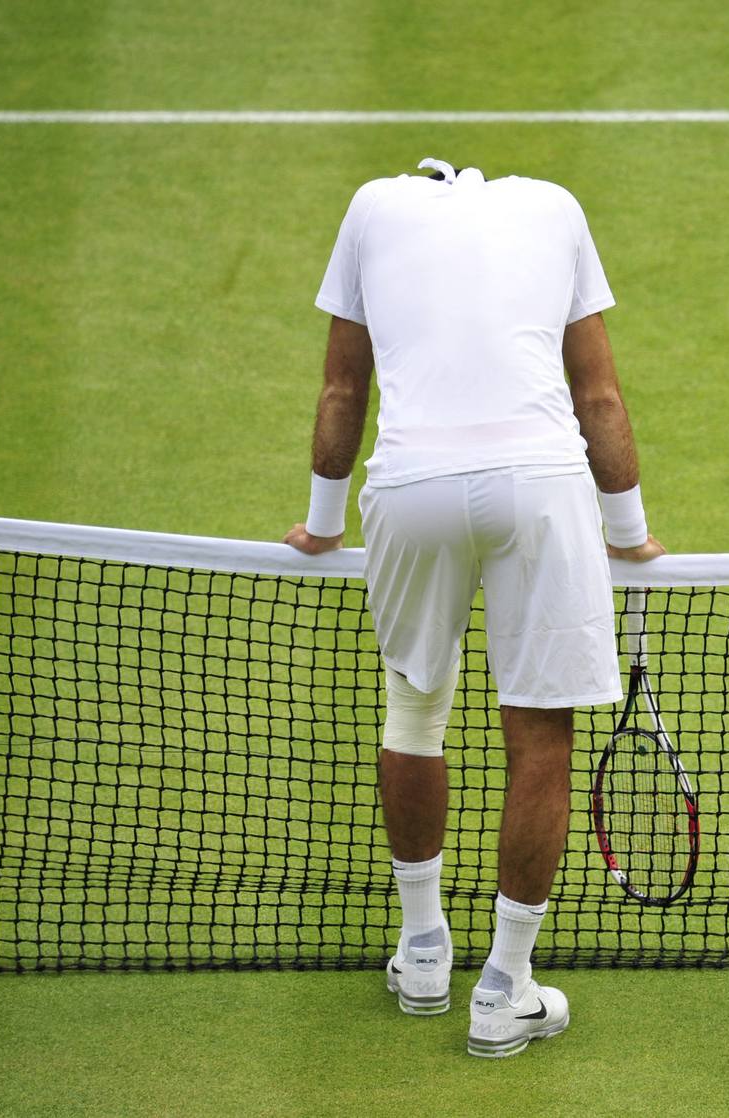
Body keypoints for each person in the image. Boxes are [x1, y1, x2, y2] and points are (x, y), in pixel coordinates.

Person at [283, 157, 664, 1058]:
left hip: (409, 486)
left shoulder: (372, 206)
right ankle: (504, 991)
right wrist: (628, 530)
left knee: (415, 708)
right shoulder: (556, 208)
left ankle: (422, 955)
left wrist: (326, 523)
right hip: (539, 487)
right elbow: (597, 393)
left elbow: (344, 388)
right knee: (541, 735)